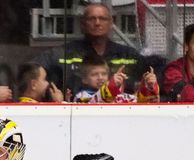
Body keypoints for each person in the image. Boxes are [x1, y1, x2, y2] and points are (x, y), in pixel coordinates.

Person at [34, 3, 165, 98]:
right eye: (92, 18)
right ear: (82, 24)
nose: (97, 23)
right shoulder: (64, 53)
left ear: (111, 23)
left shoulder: (128, 54)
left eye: (102, 18)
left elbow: (156, 72)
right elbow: (32, 71)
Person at [73, 53, 159, 103]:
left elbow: (140, 103)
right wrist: (112, 86)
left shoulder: (119, 96)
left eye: (104, 74)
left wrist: (148, 86)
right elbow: (94, 102)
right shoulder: (80, 97)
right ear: (84, 79)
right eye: (94, 74)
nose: (100, 77)